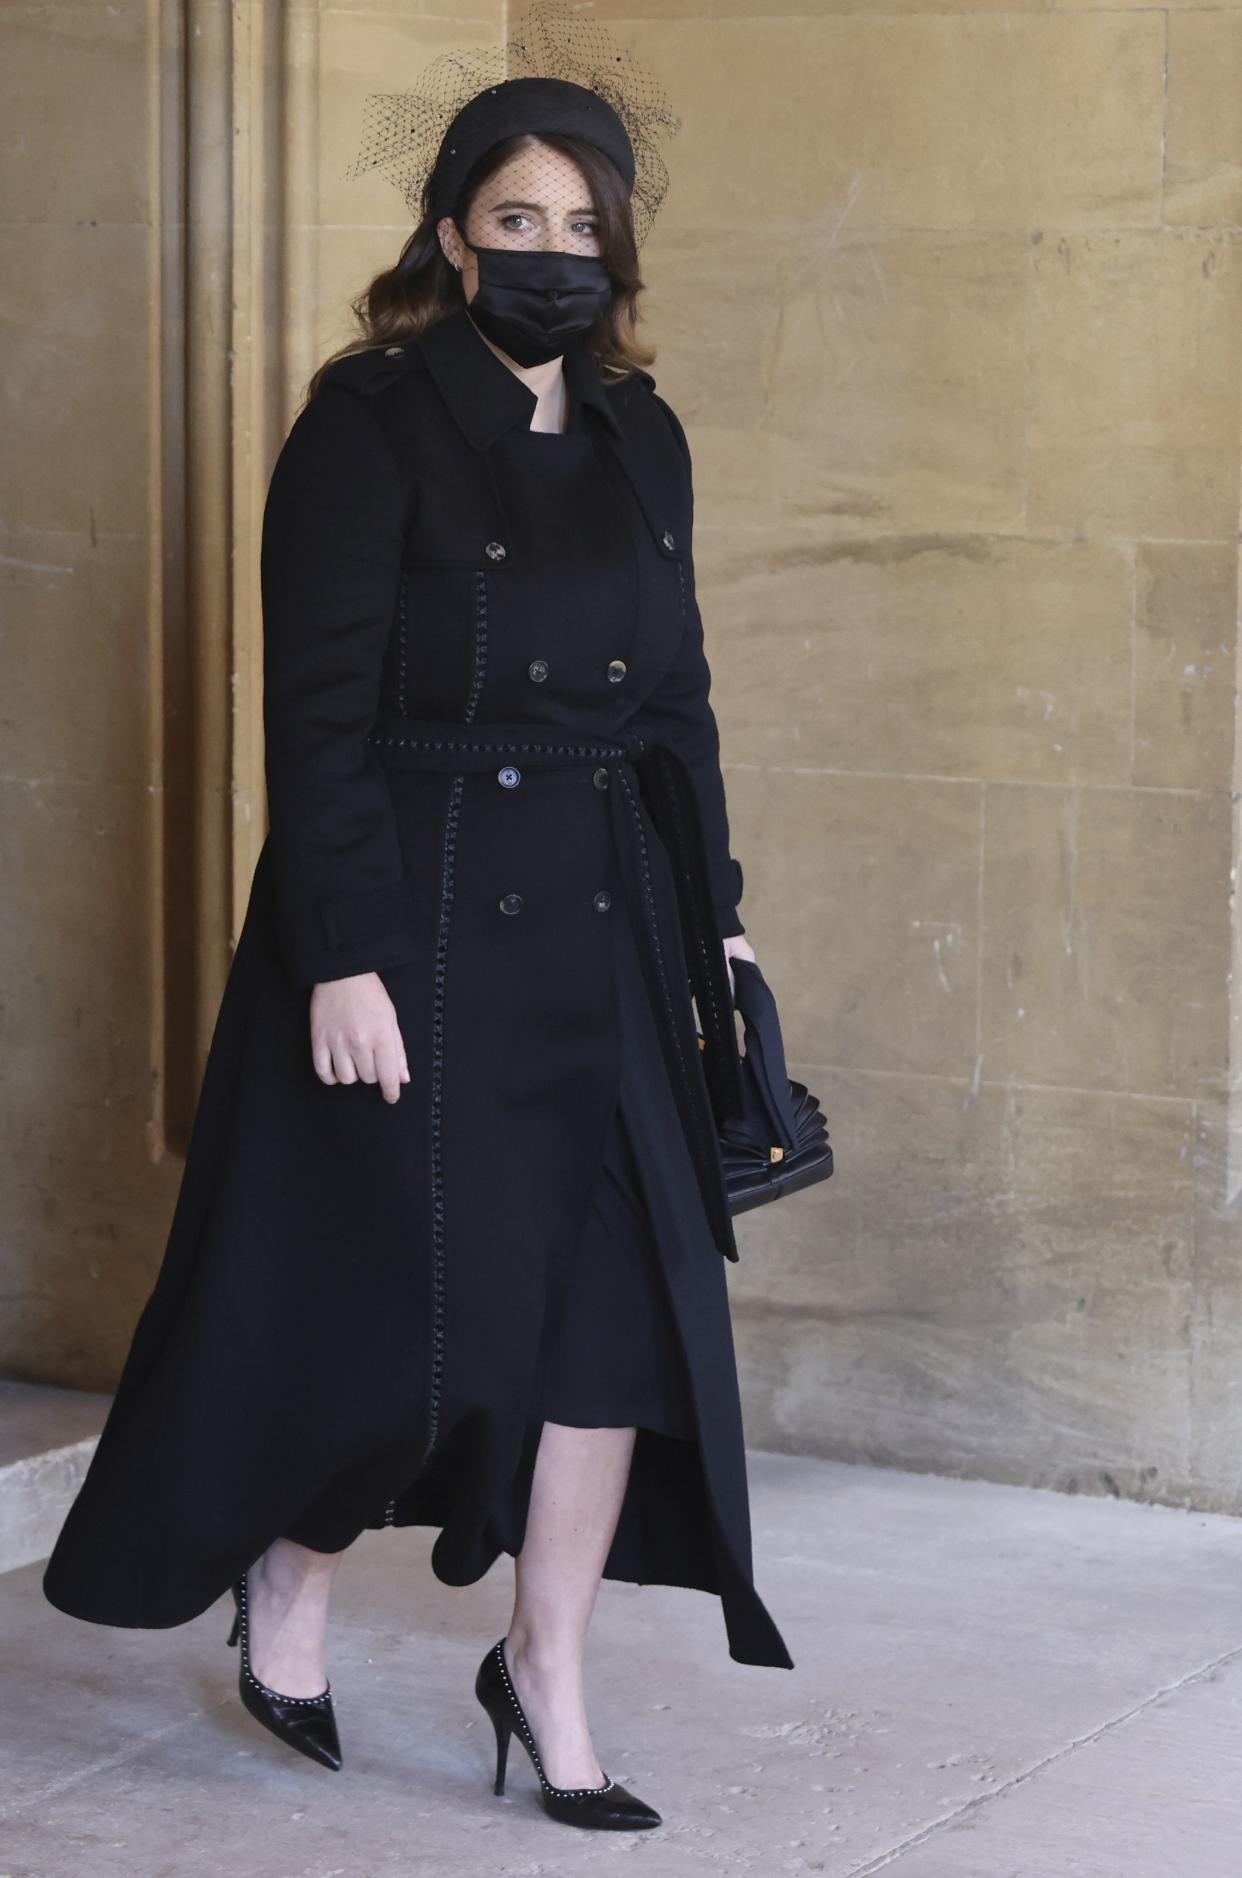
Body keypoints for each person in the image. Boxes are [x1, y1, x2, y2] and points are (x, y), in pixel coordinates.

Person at [41, 8, 793, 1834]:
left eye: (578, 227)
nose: (548, 255)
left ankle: (546, 1673)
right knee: (397, 1307)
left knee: (619, 1306)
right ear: (450, 232)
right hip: (424, 911)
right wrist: (345, 951)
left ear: (617, 246)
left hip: (608, 921)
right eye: (511, 221)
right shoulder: (369, 420)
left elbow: (675, 704)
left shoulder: (640, 431)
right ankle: (284, 1579)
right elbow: (311, 715)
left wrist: (722, 930)